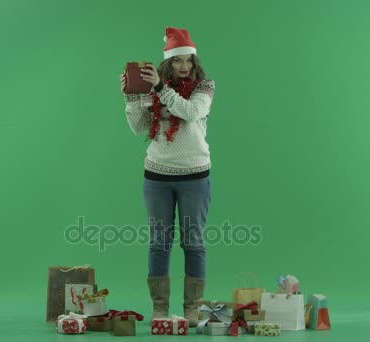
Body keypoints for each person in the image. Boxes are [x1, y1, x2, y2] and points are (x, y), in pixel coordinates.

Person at [119, 27, 215, 326]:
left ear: (195, 62)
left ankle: (191, 309)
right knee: (159, 243)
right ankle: (159, 309)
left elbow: (189, 112)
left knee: (193, 242)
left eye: (188, 60)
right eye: (177, 61)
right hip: (156, 175)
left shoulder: (205, 87)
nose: (184, 66)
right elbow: (138, 128)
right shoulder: (153, 90)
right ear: (167, 63)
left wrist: (160, 88)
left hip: (195, 176)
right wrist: (132, 97)